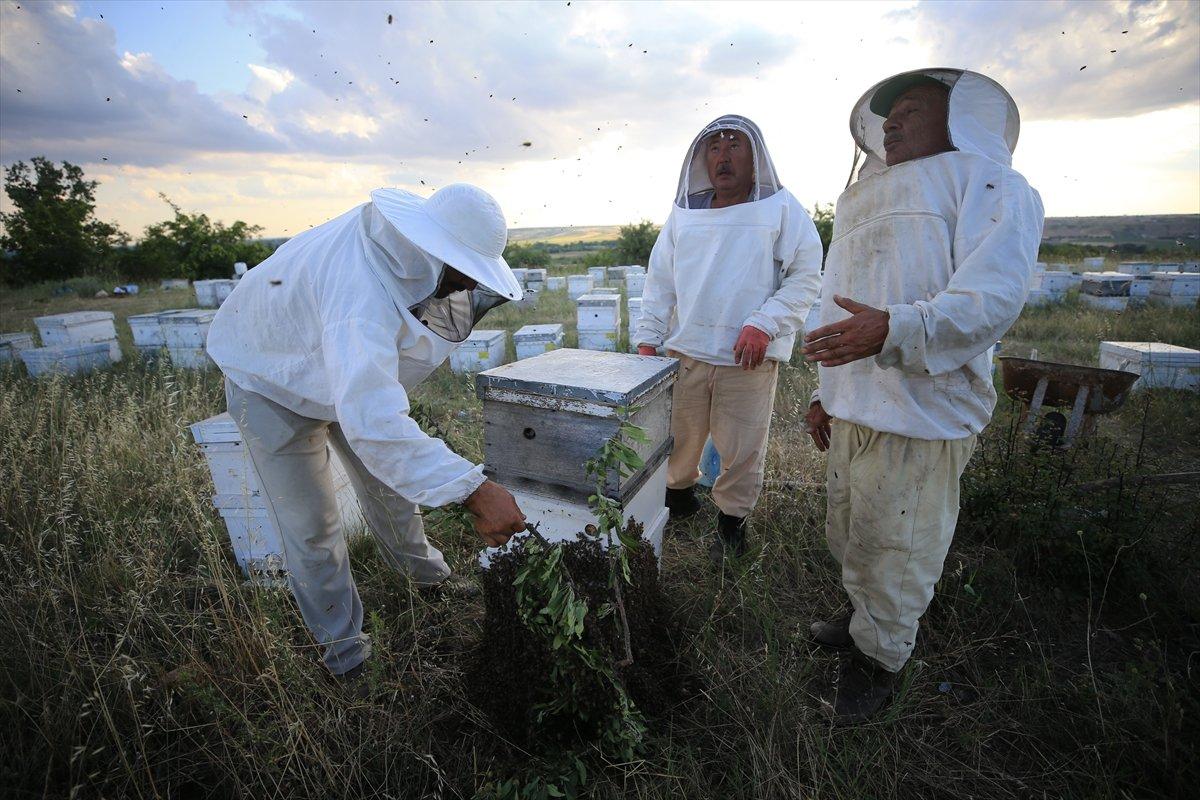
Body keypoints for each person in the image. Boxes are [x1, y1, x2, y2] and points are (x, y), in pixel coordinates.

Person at [206, 184, 528, 680]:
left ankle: (426, 578)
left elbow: (369, 405)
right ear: (430, 250)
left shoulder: (394, 259)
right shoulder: (360, 295)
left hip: (329, 360)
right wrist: (474, 491)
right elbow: (374, 424)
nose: (464, 285)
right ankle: (345, 655)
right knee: (313, 526)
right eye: (462, 270)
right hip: (269, 377)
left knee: (389, 488)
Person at [802, 69, 1044, 722]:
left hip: (922, 414)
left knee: (896, 550)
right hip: (854, 407)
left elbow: (989, 300)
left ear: (963, 119)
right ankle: (863, 617)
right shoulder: (862, 201)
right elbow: (838, 301)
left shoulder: (992, 185)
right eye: (887, 115)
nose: (891, 121)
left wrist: (897, 327)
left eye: (909, 108)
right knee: (852, 530)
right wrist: (827, 391)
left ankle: (878, 662)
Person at [635, 115, 823, 559]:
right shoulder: (684, 215)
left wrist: (765, 321)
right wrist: (648, 337)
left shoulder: (781, 208)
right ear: (701, 159)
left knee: (741, 445)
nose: (723, 155)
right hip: (687, 350)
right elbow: (660, 280)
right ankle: (678, 497)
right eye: (714, 147)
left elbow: (805, 275)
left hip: (748, 357)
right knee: (679, 435)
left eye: (734, 145)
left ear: (755, 157)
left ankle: (732, 523)